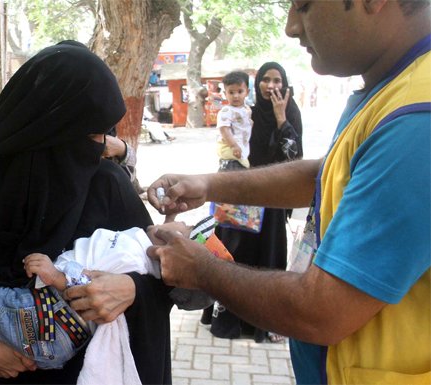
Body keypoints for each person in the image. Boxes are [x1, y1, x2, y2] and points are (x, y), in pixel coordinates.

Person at [146, 1, 430, 384]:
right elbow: (325, 173)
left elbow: (321, 311)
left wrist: (201, 268)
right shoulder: (391, 89)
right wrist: (208, 183)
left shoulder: (416, 124)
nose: (291, 27)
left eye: (305, 6)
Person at [0, 41, 174, 385]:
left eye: (105, 133)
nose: (102, 145)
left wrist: (129, 289)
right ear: (49, 130)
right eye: (92, 133)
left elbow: (159, 276)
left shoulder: (106, 187)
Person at [0, 220, 219, 385]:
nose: (179, 222)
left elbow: (90, 287)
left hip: (47, 320)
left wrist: (55, 274)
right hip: (55, 342)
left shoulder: (131, 260)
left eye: (186, 227)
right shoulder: (145, 263)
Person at [204, 62, 303, 343]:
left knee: (266, 264)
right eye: (266, 80)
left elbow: (295, 158)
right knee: (233, 254)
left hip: (271, 199)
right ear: (256, 84)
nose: (271, 85)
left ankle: (264, 322)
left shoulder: (291, 110)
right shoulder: (248, 112)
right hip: (241, 194)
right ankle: (227, 319)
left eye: (277, 80)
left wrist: (281, 118)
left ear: (284, 84)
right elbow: (230, 145)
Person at [215, 70, 253, 170]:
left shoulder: (245, 109)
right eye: (231, 92)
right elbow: (224, 129)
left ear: (247, 92)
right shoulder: (226, 111)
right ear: (225, 93)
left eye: (240, 91)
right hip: (230, 151)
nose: (236, 96)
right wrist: (233, 145)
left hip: (241, 151)